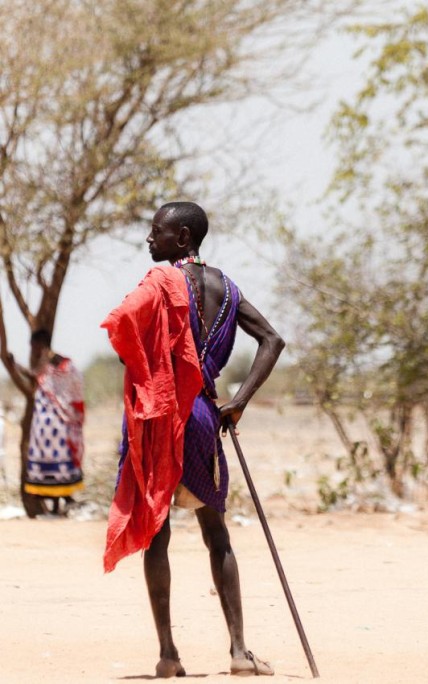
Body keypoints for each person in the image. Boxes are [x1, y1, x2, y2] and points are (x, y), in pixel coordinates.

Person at [102, 201, 285, 678]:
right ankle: (240, 652)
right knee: (216, 535)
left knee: (157, 536)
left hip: (163, 417)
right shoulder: (227, 287)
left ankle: (168, 655)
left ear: (182, 238)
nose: (149, 240)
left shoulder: (160, 283)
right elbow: (272, 339)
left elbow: (121, 324)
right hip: (205, 414)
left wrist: (147, 368)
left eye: (156, 233)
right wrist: (239, 399)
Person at [23, 329, 85, 515]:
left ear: (41, 344)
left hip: (59, 420)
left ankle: (61, 502)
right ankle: (54, 504)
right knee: (46, 463)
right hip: (43, 424)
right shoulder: (43, 363)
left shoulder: (56, 361)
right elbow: (35, 376)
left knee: (60, 461)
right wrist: (15, 365)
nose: (32, 349)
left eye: (34, 346)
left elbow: (68, 378)